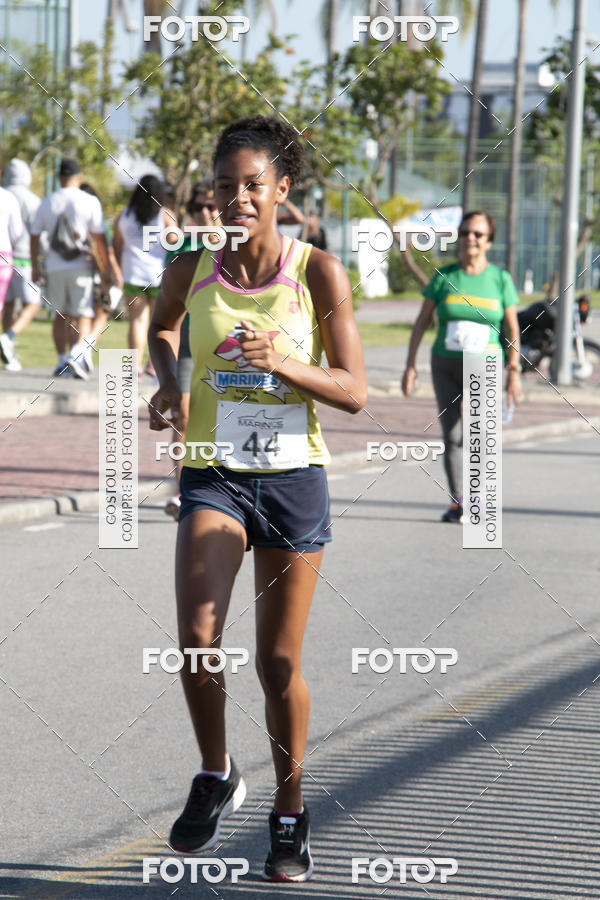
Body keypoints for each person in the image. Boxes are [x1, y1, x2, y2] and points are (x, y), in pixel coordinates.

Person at [147, 115, 366, 881]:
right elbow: (162, 327)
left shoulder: (317, 273)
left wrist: (286, 362)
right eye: (224, 186)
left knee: (278, 664)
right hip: (214, 474)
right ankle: (217, 773)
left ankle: (290, 809)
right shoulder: (192, 264)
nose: (237, 198)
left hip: (293, 481)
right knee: (198, 635)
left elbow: (354, 392)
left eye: (252, 185)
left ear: (282, 190)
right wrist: (169, 384)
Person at [402, 210, 522, 523]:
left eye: (478, 234)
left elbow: (512, 327)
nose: (471, 238)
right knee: (452, 434)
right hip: (445, 363)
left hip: (485, 364)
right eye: (466, 232)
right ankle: (460, 501)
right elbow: (421, 322)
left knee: (480, 434)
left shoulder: (499, 279)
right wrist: (410, 365)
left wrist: (514, 371)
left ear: (489, 241)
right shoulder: (444, 277)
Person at [162, 181, 223, 521]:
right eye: (199, 207)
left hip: (226, 348)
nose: (205, 212)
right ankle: (183, 492)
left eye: (212, 206)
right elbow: (167, 313)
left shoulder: (238, 245)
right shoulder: (181, 248)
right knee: (182, 415)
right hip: (187, 343)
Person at [30, 157, 112, 378]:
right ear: (79, 177)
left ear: (59, 178)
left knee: (60, 315)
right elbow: (100, 237)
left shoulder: (47, 202)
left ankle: (61, 362)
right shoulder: (88, 201)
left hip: (54, 266)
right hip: (81, 265)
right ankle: (76, 354)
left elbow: (35, 236)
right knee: (83, 313)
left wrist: (35, 266)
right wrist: (105, 268)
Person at [112, 174, 177, 379]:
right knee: (161, 323)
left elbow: (117, 245)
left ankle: (135, 367)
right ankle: (155, 365)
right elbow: (176, 240)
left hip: (132, 274)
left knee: (136, 322)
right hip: (159, 276)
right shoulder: (165, 214)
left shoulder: (124, 215)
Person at [0, 159, 41, 372]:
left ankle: (9, 351)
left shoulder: (5, 192)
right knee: (32, 304)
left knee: (6, 306)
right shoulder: (32, 200)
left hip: (5, 259)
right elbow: (34, 232)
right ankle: (8, 338)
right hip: (24, 257)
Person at [79, 182, 123, 371]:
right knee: (102, 314)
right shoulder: (96, 218)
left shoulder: (73, 217)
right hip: (97, 274)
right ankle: (83, 349)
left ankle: (80, 352)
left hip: (76, 272)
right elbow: (108, 250)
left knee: (82, 316)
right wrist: (115, 273)